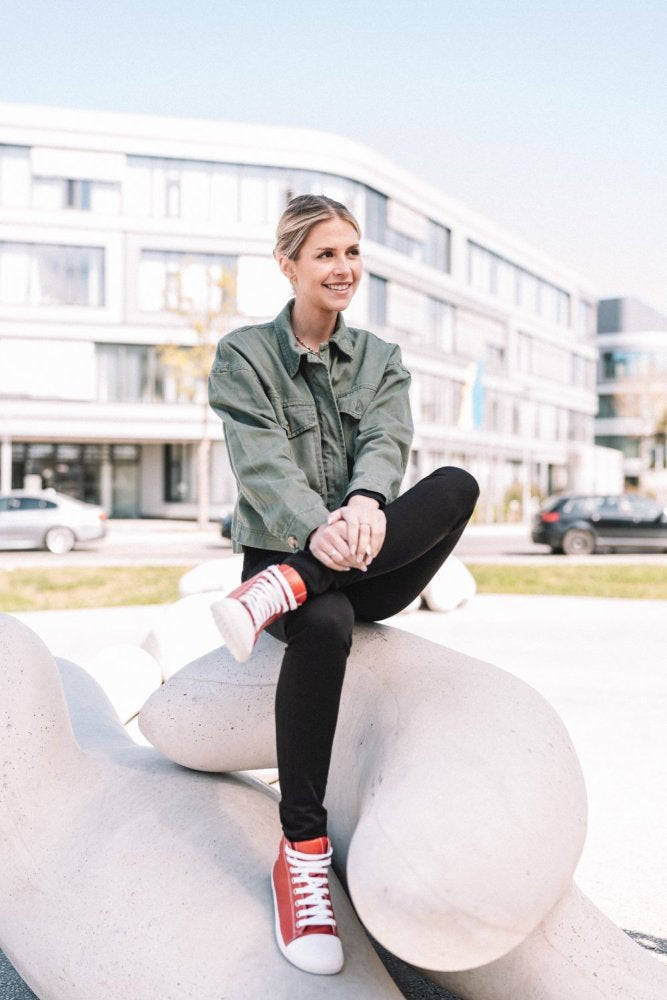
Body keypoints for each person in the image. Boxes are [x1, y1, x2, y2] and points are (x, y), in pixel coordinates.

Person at [208, 194, 479, 976]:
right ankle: (300, 855)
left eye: (353, 253)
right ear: (288, 263)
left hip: (366, 554)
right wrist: (314, 528)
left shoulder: (380, 360)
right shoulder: (243, 356)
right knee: (323, 625)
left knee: (455, 483)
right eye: (325, 253)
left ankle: (285, 590)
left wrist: (363, 500)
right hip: (280, 547)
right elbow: (259, 464)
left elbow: (388, 441)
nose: (344, 268)